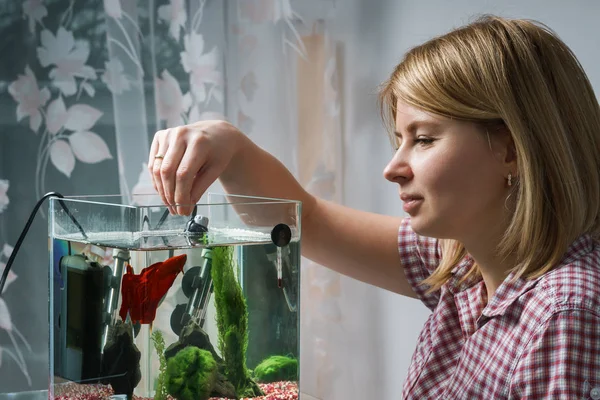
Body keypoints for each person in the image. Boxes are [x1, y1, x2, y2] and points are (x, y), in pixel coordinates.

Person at [148, 15, 600, 399]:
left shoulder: (565, 315)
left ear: (511, 150)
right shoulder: (462, 263)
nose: (393, 168)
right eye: (399, 139)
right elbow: (308, 219)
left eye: (423, 139)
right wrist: (229, 145)